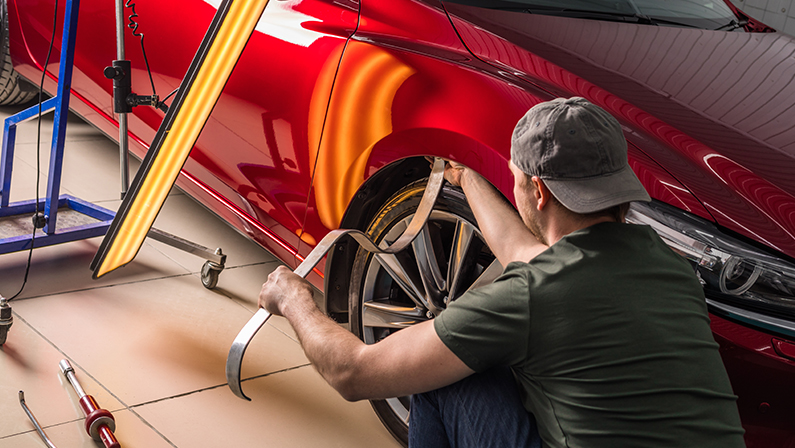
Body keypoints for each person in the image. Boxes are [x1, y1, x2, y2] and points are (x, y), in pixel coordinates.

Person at [258, 97, 746, 447]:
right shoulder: (671, 267)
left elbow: (352, 373)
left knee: (442, 375)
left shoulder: (533, 295)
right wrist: (465, 177)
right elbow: (527, 255)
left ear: (538, 192)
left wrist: (294, 298)